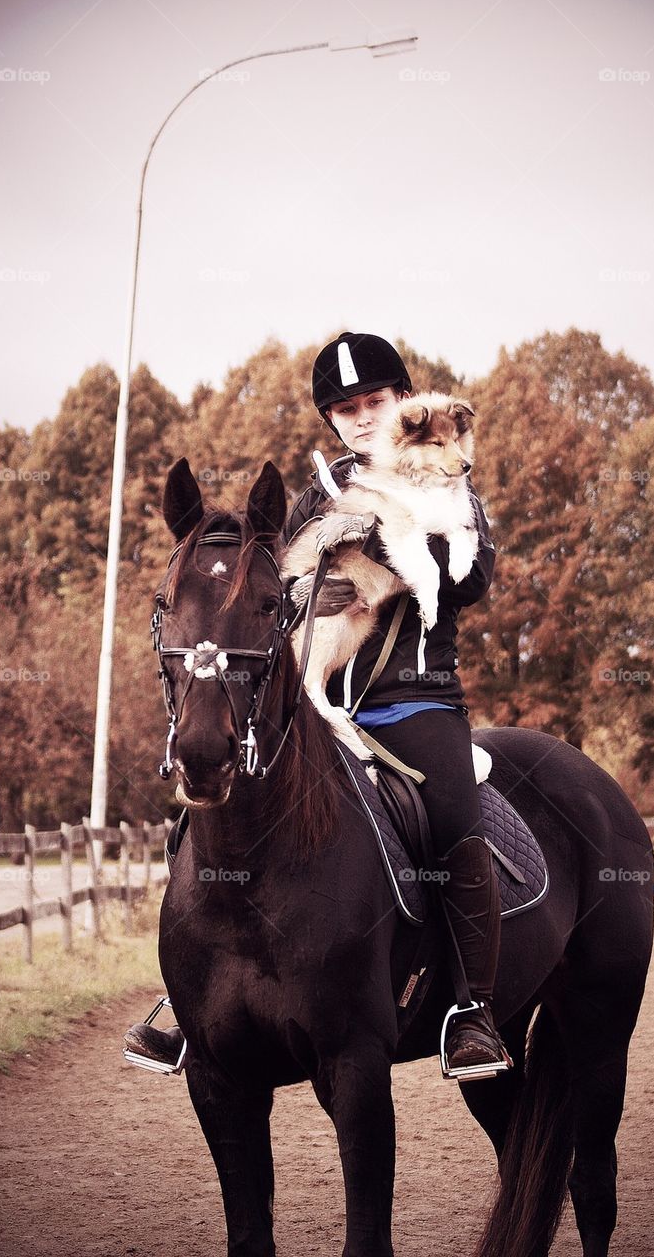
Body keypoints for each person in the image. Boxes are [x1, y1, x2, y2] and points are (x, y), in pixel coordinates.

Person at [124, 332, 511, 1078]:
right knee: (206, 812)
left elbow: (473, 575)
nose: (362, 418)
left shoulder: (440, 480)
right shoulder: (314, 495)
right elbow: (267, 590)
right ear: (330, 421)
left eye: (374, 401)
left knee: (456, 819)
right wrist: (308, 592)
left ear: (404, 399)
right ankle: (188, 999)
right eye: (345, 409)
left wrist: (383, 551)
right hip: (310, 699)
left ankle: (473, 1010)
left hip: (413, 701)